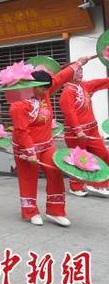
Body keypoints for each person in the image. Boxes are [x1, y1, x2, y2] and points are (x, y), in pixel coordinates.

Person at [9, 56, 90, 228]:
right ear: (31, 86)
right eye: (41, 88)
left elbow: (61, 77)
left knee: (55, 174)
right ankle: (30, 211)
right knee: (28, 179)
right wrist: (30, 152)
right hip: (26, 147)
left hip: (47, 144)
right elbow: (21, 131)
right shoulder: (18, 105)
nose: (44, 91)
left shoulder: (45, 91)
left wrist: (79, 63)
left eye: (47, 88)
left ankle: (56, 211)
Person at [58, 66, 109, 197]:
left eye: (81, 70)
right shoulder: (67, 92)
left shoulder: (84, 85)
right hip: (76, 134)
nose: (80, 73)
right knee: (79, 159)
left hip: (92, 130)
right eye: (77, 71)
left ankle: (99, 184)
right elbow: (70, 113)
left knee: (103, 155)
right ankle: (75, 187)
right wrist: (78, 130)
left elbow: (102, 82)